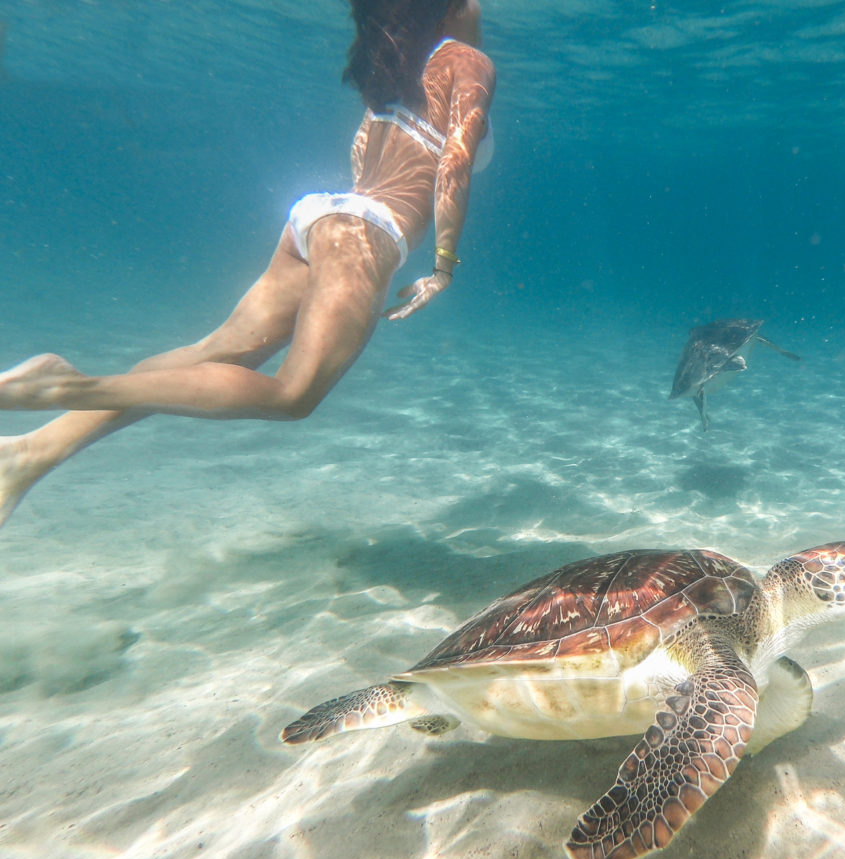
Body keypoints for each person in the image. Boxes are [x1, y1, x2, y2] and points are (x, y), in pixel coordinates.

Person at [0, 0, 495, 528]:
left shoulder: (398, 63)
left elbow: (365, 155)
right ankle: (68, 385)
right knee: (293, 394)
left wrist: (344, 234)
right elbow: (456, 160)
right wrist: (443, 263)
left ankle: (28, 454)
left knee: (212, 351)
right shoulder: (468, 60)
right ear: (447, 9)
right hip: (364, 233)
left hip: (321, 218)